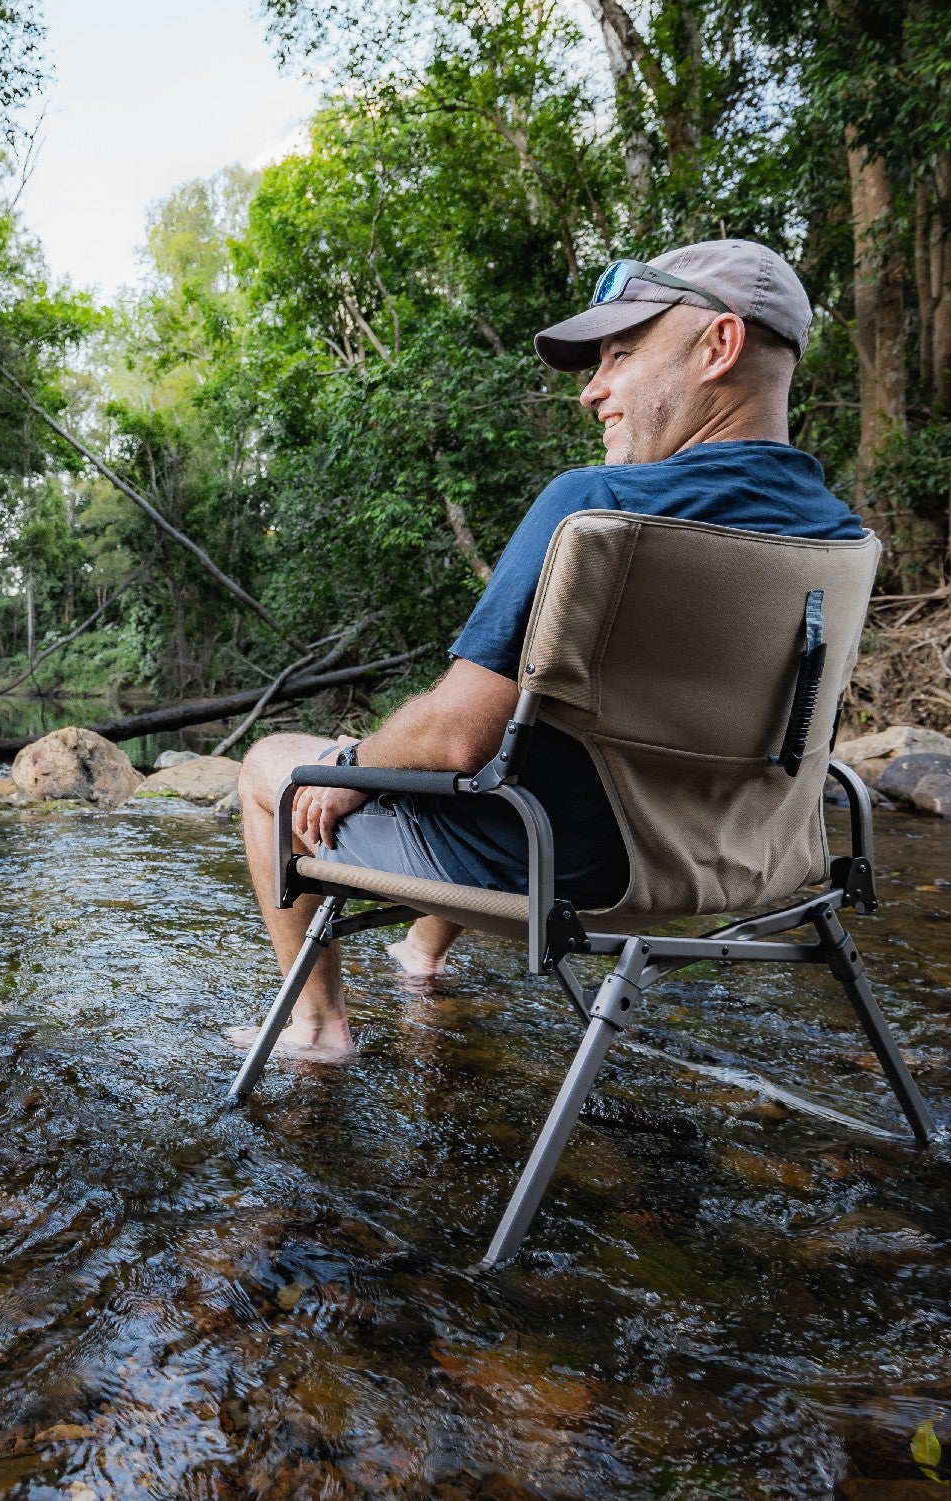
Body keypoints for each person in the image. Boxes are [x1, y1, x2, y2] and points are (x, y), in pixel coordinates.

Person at [235, 239, 863, 1062]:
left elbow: (457, 737)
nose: (592, 391)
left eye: (622, 355)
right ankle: (421, 954)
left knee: (274, 768)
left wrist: (353, 761)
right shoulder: (841, 537)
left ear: (720, 345)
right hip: (755, 861)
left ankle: (315, 1028)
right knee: (528, 736)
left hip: (566, 871)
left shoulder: (594, 507)